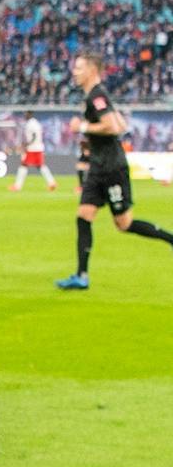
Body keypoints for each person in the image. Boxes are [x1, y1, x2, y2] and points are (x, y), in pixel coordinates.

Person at [56, 51, 173, 290]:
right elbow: (121, 124)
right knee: (83, 216)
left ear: (91, 70)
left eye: (79, 68)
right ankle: (81, 276)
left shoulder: (97, 95)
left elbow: (111, 126)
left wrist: (83, 127)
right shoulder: (96, 95)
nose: (74, 72)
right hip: (98, 167)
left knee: (124, 224)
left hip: (111, 168)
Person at [11, 110, 56, 193]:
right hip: (38, 147)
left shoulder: (31, 124)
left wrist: (27, 144)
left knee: (24, 165)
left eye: (26, 114)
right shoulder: (35, 123)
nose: (25, 116)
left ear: (30, 114)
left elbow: (34, 136)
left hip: (33, 148)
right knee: (40, 166)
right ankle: (52, 182)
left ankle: (17, 186)